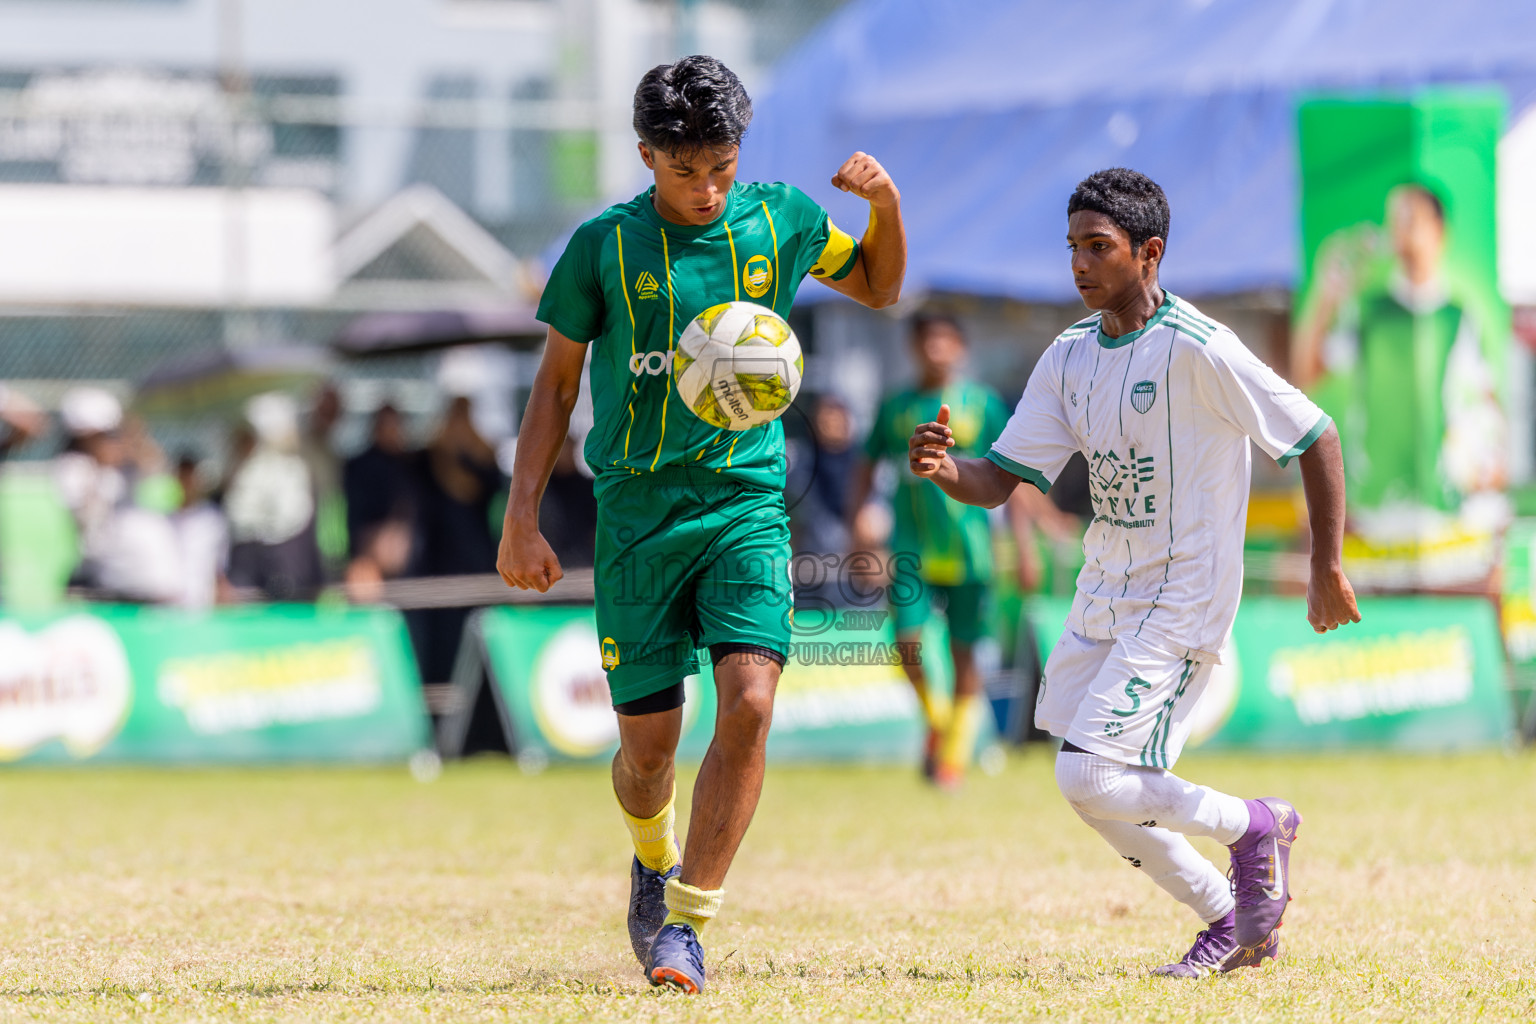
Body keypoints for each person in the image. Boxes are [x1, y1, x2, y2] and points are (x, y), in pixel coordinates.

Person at [496, 55, 904, 994]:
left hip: (746, 506)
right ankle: (652, 856)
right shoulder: (602, 245)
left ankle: (687, 923)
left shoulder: (782, 219)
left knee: (753, 702)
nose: (708, 188)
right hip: (636, 514)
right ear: (647, 156)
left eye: (721, 165)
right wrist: (521, 518)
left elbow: (879, 286)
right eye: (687, 172)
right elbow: (556, 385)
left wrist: (884, 206)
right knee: (647, 756)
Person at [906, 168, 1360, 975]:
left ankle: (1253, 824)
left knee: (1091, 772)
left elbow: (1315, 435)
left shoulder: (1200, 347)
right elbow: (1000, 479)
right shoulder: (1070, 354)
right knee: (1088, 782)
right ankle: (1228, 916)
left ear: (1149, 254)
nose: (1080, 264)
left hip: (1184, 590)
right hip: (1105, 585)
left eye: (1100, 247)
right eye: (1074, 247)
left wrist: (1326, 565)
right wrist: (946, 470)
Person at [848, 313, 1025, 787]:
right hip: (910, 548)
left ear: (961, 347)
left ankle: (952, 758)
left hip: (973, 551)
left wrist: (1023, 546)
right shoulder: (896, 406)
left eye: (946, 340)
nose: (936, 349)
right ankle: (940, 723)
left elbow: (1017, 475)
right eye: (927, 341)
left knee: (967, 655)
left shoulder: (984, 404)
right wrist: (859, 526)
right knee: (907, 645)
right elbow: (866, 467)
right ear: (913, 347)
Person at [1291, 182, 1505, 516]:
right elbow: (1307, 375)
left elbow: (1488, 400)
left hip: (1441, 507)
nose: (1399, 230)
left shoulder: (1457, 317)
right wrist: (1325, 296)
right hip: (1376, 505)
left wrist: (1493, 460)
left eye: (1410, 218)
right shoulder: (1368, 311)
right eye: (1394, 220)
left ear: (1439, 231)